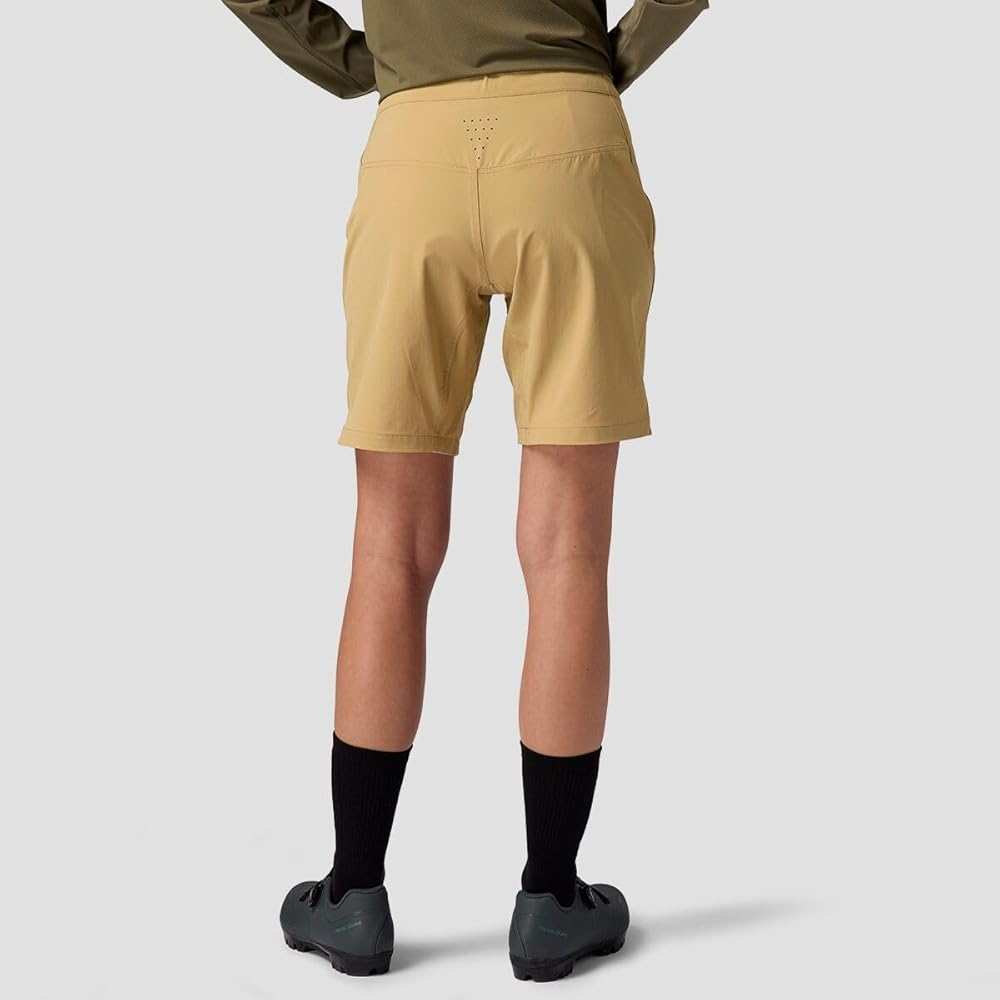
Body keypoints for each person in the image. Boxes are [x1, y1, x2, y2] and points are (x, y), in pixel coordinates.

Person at [221, 0, 709, 982]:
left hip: (414, 147)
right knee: (568, 550)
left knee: (388, 548)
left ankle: (353, 896)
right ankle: (551, 901)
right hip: (570, 139)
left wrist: (359, 62)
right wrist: (607, 59)